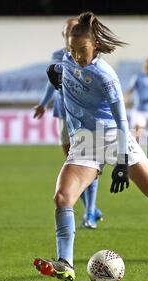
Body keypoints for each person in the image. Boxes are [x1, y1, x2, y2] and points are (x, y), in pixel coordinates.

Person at [33, 11, 148, 281]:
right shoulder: (66, 61)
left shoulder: (105, 76)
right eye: (72, 50)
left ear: (96, 46)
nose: (77, 56)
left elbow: (122, 120)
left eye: (82, 50)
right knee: (62, 199)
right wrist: (54, 79)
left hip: (115, 137)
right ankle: (65, 263)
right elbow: (57, 71)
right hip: (85, 143)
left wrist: (123, 161)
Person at [32, 18, 103, 229]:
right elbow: (51, 84)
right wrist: (43, 104)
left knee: (87, 161)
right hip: (62, 113)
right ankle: (92, 208)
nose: (71, 32)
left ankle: (90, 212)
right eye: (68, 30)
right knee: (72, 163)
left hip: (83, 115)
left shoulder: (86, 56)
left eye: (75, 29)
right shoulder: (57, 56)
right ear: (64, 34)